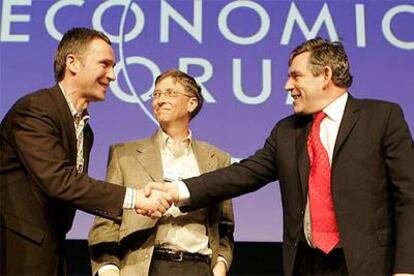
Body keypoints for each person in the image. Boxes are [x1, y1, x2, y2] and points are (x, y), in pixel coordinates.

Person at [146, 38, 414, 275]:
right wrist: (176, 191)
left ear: (325, 75)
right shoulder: (287, 131)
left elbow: (408, 196)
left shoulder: (381, 118)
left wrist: (406, 268)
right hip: (307, 264)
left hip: (370, 265)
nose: (288, 85)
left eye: (296, 76)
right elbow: (242, 174)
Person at [0, 27, 171, 275]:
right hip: (16, 250)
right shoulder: (36, 110)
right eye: (105, 64)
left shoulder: (84, 129)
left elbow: (73, 191)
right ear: (73, 63)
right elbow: (60, 181)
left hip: (51, 250)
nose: (112, 75)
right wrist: (135, 199)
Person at [88, 69, 234, 276]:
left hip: (199, 267)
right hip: (144, 267)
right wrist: (108, 269)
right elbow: (106, 222)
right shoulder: (125, 155)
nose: (160, 100)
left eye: (170, 93)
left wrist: (220, 265)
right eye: (156, 94)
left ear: (191, 103)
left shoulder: (217, 158)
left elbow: (225, 225)